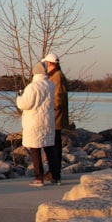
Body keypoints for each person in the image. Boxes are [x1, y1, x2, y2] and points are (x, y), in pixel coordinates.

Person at [17, 61, 56, 187]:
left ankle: (39, 178)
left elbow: (25, 104)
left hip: (34, 121)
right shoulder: (51, 85)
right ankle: (55, 176)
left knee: (35, 150)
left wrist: (19, 97)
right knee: (49, 148)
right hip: (47, 121)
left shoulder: (32, 87)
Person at [43, 53, 71, 185]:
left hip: (55, 118)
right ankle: (53, 172)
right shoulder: (55, 76)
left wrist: (49, 108)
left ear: (50, 64)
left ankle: (55, 173)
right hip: (55, 118)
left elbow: (58, 98)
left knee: (53, 146)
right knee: (53, 145)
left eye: (46, 64)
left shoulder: (57, 77)